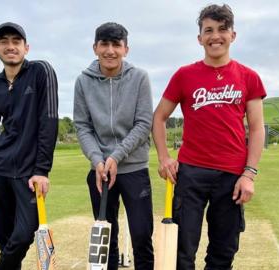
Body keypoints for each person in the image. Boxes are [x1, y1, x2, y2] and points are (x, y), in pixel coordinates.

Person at [152, 4, 266, 270]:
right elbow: (159, 117)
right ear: (199, 38)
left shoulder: (249, 77)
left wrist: (249, 174)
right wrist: (164, 157)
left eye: (222, 29)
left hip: (232, 176)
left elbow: (258, 128)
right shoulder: (184, 75)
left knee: (223, 252)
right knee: (182, 251)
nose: (216, 36)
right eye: (209, 30)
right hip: (190, 173)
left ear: (233, 35)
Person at [73, 22, 154, 270]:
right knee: (106, 239)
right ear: (95, 47)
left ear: (125, 49)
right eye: (104, 44)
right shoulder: (83, 81)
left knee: (142, 236)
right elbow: (82, 125)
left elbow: (143, 123)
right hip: (99, 172)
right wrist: (98, 159)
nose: (110, 51)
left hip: (134, 169)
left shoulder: (139, 77)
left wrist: (116, 156)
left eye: (116, 45)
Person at [0, 22, 58, 270]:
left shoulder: (41, 71)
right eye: (4, 42)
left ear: (26, 47)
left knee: (23, 235)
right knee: (3, 240)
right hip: (0, 170)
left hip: (28, 174)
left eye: (16, 41)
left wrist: (42, 170)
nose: (10, 46)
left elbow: (49, 120)